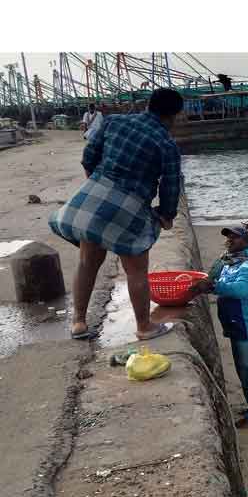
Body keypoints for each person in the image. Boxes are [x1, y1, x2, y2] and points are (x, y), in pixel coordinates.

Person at [49, 88, 184, 340]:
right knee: (135, 271)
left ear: (148, 105)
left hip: (95, 198)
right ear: (174, 115)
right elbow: (171, 185)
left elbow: (89, 156)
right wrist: (167, 215)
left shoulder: (114, 122)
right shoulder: (166, 144)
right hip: (129, 208)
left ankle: (78, 322)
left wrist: (97, 183)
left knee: (87, 262)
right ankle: (144, 326)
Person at [190, 227, 248, 429]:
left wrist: (213, 287)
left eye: (235, 237)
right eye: (228, 237)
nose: (230, 239)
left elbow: (241, 290)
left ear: (246, 241)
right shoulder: (229, 264)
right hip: (237, 326)